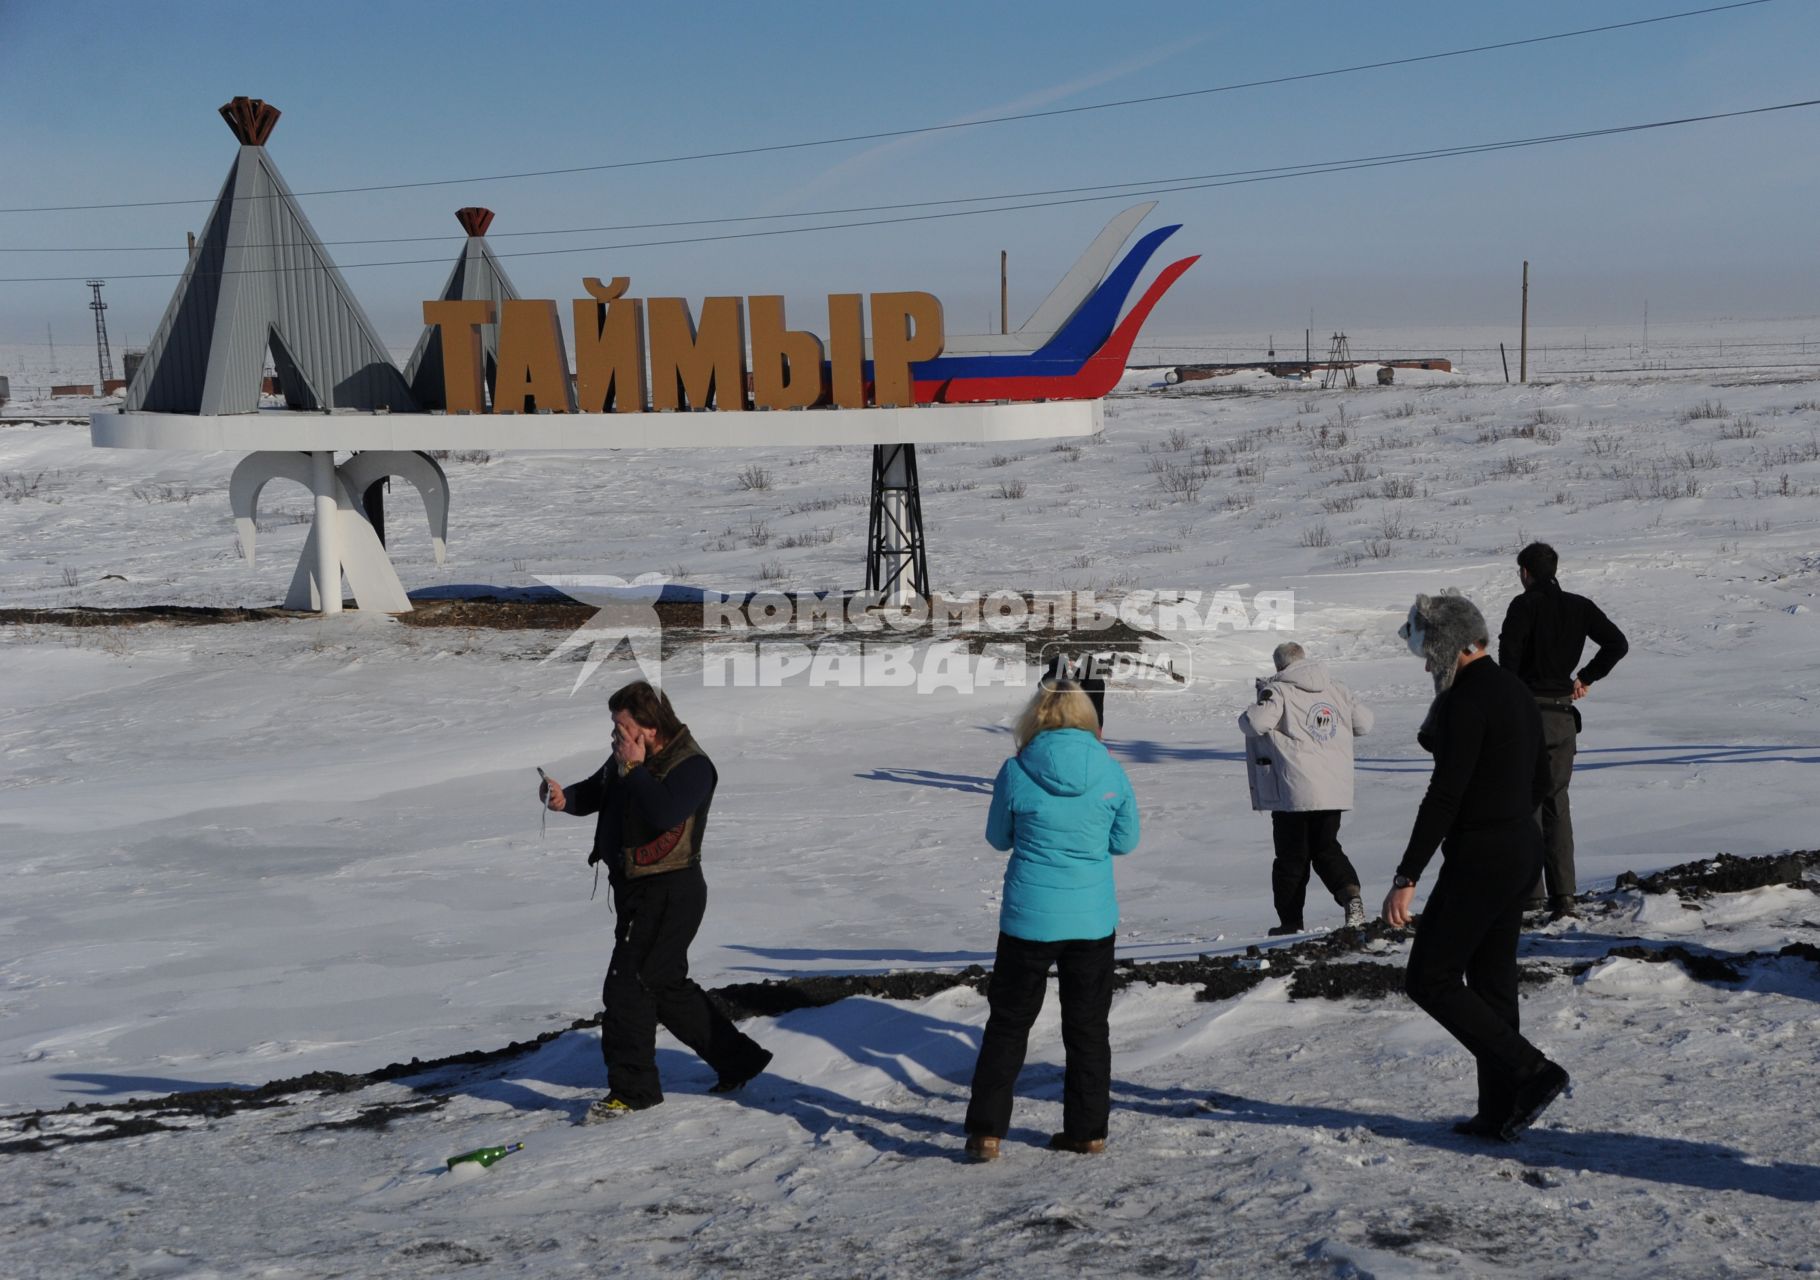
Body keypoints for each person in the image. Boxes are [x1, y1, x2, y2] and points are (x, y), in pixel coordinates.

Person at [1384, 592, 1568, 1142]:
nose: (1422, 662)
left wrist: (1406, 876)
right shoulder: (1514, 688)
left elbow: (1444, 796)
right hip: (1519, 848)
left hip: (1483, 856)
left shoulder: (1466, 702)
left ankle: (1533, 1072)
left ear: (1447, 645)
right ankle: (1500, 1110)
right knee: (1491, 984)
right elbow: (1543, 779)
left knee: (1430, 977)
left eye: (1425, 648)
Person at [543, 681, 771, 1122]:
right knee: (663, 986)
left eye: (622, 725)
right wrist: (563, 798)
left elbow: (664, 812)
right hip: (637, 892)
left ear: (648, 727)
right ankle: (739, 1060)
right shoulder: (626, 758)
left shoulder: (693, 766)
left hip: (671, 892)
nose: (615, 734)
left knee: (627, 988)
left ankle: (633, 1092)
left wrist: (634, 769)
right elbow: (596, 790)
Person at [964, 679, 1140, 1162]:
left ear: (1036, 717)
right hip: (1091, 920)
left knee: (1008, 1025)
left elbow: (998, 837)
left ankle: (986, 1133)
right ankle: (1087, 1131)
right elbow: (1125, 842)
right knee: (1087, 1027)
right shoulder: (1110, 771)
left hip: (1028, 919)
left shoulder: (1016, 769)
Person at [1497, 542, 1629, 919]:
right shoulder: (1580, 606)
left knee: (1526, 804)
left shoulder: (1522, 607)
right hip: (1563, 717)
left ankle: (1531, 896)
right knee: (1558, 803)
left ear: (1525, 572)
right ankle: (1564, 896)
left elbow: (1508, 665)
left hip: (1528, 716)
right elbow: (1617, 644)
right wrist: (1585, 677)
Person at [1239, 641, 1373, 934]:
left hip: (1294, 790)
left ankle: (1290, 923)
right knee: (1326, 849)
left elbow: (1254, 724)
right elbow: (1364, 724)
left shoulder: (1279, 691)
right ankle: (1350, 896)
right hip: (1333, 789)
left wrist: (1257, 702)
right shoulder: (1336, 688)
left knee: (1291, 857)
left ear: (1280, 666)